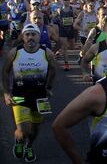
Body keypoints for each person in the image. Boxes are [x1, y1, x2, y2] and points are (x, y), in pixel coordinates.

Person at [2, 23, 55, 162]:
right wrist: (7, 93)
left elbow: (53, 70)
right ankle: (19, 140)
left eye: (33, 34)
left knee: (34, 129)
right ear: (23, 37)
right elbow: (5, 72)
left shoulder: (47, 53)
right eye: (27, 34)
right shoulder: (15, 52)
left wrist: (48, 87)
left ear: (39, 36)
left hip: (40, 97)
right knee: (23, 131)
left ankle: (29, 145)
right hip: (19, 96)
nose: (30, 37)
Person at [81, 15, 107, 83]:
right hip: (100, 87)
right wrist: (85, 73)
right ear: (105, 29)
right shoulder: (97, 47)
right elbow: (84, 61)